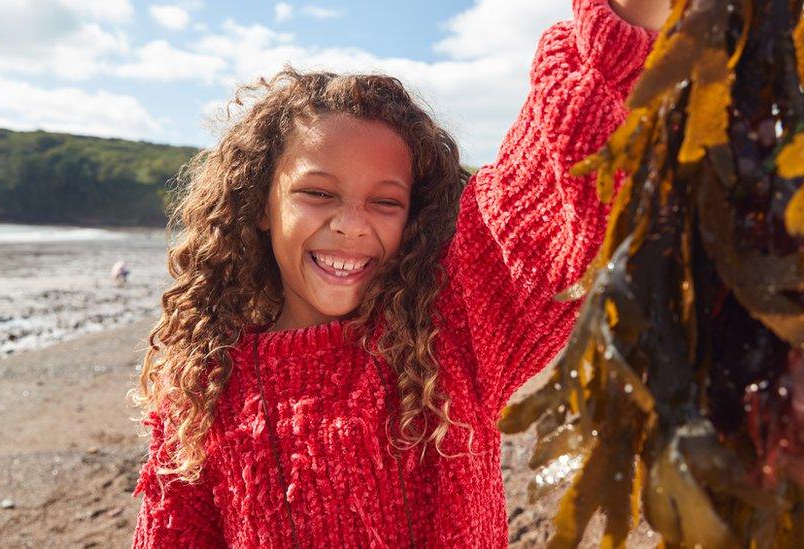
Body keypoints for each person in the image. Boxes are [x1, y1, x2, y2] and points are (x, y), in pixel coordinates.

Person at [129, 0, 670, 546]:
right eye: (318, 193)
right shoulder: (201, 391)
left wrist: (626, 20)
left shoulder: (450, 337)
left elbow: (546, 188)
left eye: (385, 203)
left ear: (415, 218)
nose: (351, 225)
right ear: (260, 207)